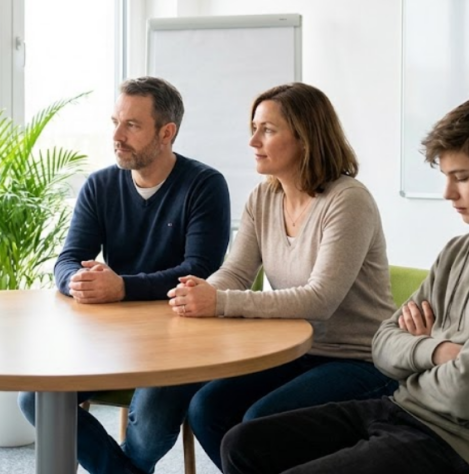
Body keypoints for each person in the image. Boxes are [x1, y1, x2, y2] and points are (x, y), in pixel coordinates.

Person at [219, 93, 469, 474]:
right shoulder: (460, 249)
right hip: (402, 409)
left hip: (465, 445)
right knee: (242, 444)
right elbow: (383, 343)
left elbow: (467, 395)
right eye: (446, 178)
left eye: (461, 178)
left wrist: (420, 359)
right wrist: (439, 351)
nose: (447, 193)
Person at [168, 82, 397, 470]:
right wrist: (203, 289)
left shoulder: (348, 201)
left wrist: (219, 302)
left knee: (260, 421)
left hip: (360, 361)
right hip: (296, 350)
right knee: (206, 407)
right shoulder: (264, 197)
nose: (254, 141)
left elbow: (320, 299)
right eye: (253, 128)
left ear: (306, 138)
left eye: (268, 130)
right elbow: (238, 271)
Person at [18, 76, 231, 474]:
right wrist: (76, 282)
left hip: (181, 340)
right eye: (115, 121)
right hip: (111, 338)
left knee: (149, 426)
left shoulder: (204, 185)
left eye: (132, 125)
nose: (117, 135)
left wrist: (121, 287)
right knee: (34, 400)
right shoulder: (100, 185)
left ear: (166, 133)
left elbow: (198, 270)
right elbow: (68, 259)